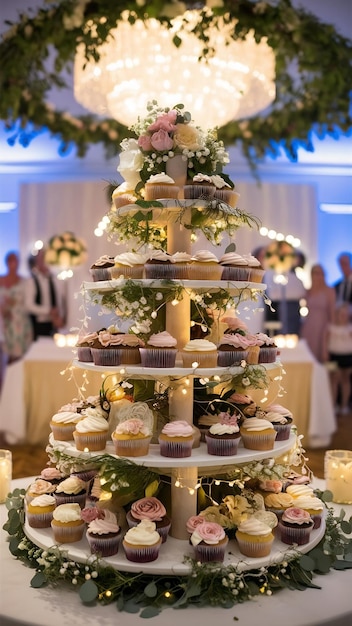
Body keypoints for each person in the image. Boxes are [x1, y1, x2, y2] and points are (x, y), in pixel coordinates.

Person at [24, 248, 65, 340]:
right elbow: (28, 305)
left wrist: (60, 317)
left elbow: (60, 300)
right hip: (40, 324)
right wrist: (48, 311)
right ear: (37, 261)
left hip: (56, 324)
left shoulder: (55, 279)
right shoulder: (32, 280)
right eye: (41, 258)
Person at [0, 251, 33, 363]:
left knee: (19, 355)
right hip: (5, 321)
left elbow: (27, 302)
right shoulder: (1, 280)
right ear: (7, 262)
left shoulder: (24, 281)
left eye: (15, 261)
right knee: (6, 355)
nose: (13, 263)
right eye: (11, 260)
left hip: (20, 321)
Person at [300, 263, 336, 362]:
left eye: (320, 273)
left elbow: (332, 313)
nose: (317, 276)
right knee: (307, 355)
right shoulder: (308, 291)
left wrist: (331, 331)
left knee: (321, 355)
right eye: (315, 273)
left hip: (323, 327)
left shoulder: (329, 291)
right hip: (309, 325)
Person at [325, 303, 352, 415]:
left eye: (345, 314)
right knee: (333, 380)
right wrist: (325, 355)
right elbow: (325, 342)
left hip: (347, 356)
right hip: (333, 355)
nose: (343, 316)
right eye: (341, 314)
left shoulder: (350, 328)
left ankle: (344, 405)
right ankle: (332, 405)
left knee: (345, 380)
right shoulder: (330, 327)